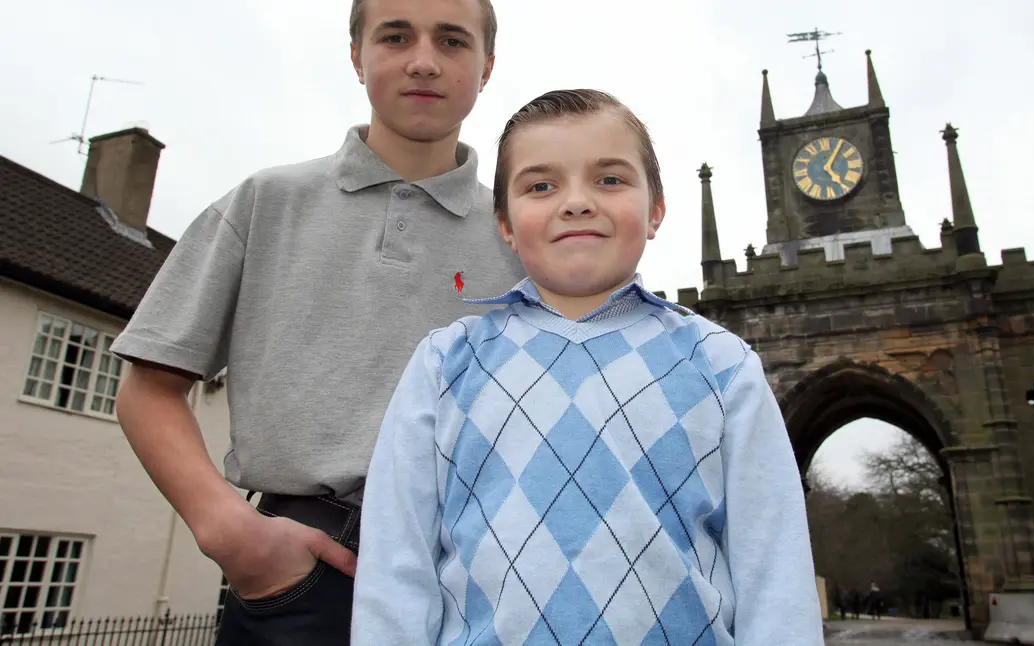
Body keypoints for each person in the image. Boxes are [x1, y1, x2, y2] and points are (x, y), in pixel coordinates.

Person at [110, 0, 522, 644]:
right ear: (357, 55)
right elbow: (149, 388)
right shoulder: (265, 202)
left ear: (486, 65)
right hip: (305, 576)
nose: (423, 60)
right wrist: (227, 529)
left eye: (452, 40)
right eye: (395, 36)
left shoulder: (520, 235)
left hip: (486, 579)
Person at [351, 89, 824, 645]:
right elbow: (396, 572)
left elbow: (774, 578)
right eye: (541, 185)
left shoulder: (722, 366)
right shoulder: (442, 364)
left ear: (656, 209)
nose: (576, 202)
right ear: (503, 223)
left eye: (610, 180)